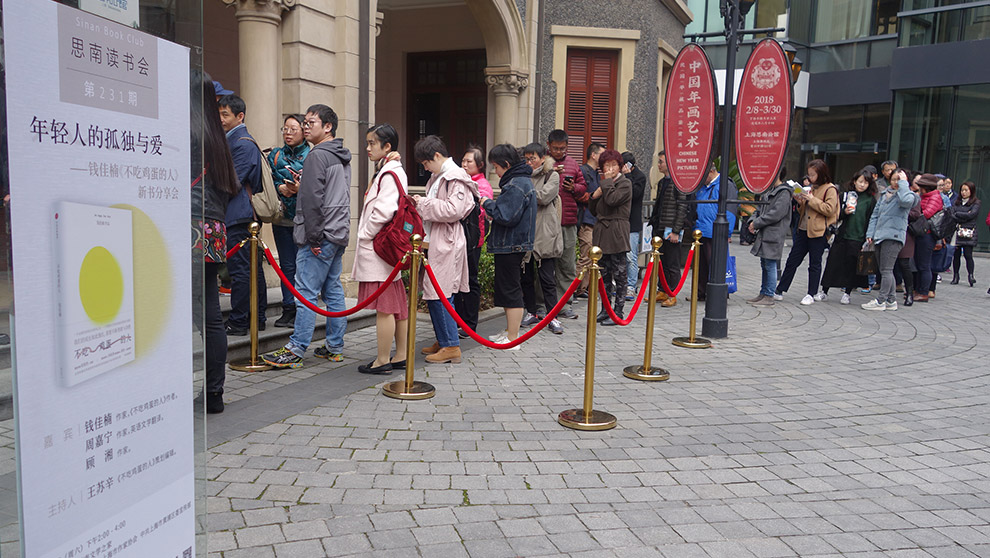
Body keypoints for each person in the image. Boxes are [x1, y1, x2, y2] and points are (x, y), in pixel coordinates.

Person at [262, 104, 351, 368]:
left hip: (320, 235)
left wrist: (312, 238)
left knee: (305, 293)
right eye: (306, 122)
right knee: (332, 290)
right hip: (337, 232)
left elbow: (313, 201)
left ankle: (296, 349)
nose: (305, 127)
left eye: (311, 122)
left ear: (328, 127)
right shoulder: (340, 154)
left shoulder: (317, 156)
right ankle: (334, 347)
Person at [349, 124, 409, 375]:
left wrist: (364, 233)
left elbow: (383, 211)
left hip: (380, 248)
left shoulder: (389, 173)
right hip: (388, 249)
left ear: (387, 146)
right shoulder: (390, 170)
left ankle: (383, 360)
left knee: (385, 308)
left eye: (372, 143)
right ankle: (400, 355)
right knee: (396, 305)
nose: (368, 148)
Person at [197, 75, 241, 413]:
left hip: (187, 228)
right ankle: (214, 392)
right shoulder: (218, 139)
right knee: (211, 316)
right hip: (213, 228)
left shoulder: (188, 133)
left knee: (191, 314)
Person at [412, 136, 477, 364]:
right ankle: (444, 339)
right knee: (435, 292)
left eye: (426, 162)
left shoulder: (455, 177)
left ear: (437, 156)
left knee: (441, 293)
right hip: (438, 240)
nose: (425, 167)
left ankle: (450, 345)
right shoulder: (440, 176)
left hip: (446, 240)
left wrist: (422, 204)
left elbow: (454, 210)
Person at [218, 93, 266, 336]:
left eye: (225, 114)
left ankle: (240, 321)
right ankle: (256, 318)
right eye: (219, 114)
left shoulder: (242, 143)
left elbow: (232, 182)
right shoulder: (234, 140)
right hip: (240, 214)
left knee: (241, 271)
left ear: (240, 116)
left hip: (239, 215)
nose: (221, 119)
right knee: (250, 269)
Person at [480, 144, 537, 348]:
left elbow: (505, 215)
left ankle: (513, 338)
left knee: (511, 290)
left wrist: (487, 203)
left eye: (496, 167)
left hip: (511, 245)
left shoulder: (516, 184)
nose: (495, 171)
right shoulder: (520, 181)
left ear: (506, 164)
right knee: (507, 289)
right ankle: (509, 331)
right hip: (512, 244)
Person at [774, 159, 838, 305]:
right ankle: (780, 290)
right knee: (792, 261)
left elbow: (830, 209)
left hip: (818, 232)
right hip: (803, 229)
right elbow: (805, 210)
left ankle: (811, 293)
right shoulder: (812, 188)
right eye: (809, 174)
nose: (810, 178)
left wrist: (811, 199)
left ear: (821, 174)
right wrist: (800, 201)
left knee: (814, 263)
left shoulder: (830, 189)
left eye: (813, 175)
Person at [268, 114, 310, 328]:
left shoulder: (312, 155)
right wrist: (280, 188)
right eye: (285, 129)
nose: (288, 133)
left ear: (304, 131)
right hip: (282, 218)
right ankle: (288, 308)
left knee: (303, 266)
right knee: (286, 265)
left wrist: (298, 189)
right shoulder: (275, 155)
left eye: (293, 129)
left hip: (304, 220)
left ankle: (302, 309)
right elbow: (266, 181)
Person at [520, 143, 564, 334]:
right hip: (527, 232)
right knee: (526, 277)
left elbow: (544, 197)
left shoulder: (551, 175)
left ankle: (553, 316)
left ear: (542, 158)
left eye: (533, 158)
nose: (529, 162)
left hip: (545, 234)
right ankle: (531, 311)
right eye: (526, 159)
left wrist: (524, 193)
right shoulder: (523, 176)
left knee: (547, 278)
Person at [863, 169, 919, 311]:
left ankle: (881, 300)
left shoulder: (909, 195)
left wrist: (903, 184)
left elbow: (906, 201)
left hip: (893, 236)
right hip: (879, 236)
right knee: (885, 270)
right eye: (894, 179)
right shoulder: (884, 194)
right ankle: (891, 300)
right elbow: (875, 215)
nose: (895, 182)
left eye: (899, 179)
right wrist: (870, 233)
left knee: (887, 270)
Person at [820, 170, 878, 304]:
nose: (862, 185)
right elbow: (835, 215)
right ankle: (824, 291)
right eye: (860, 181)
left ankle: (847, 293)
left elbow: (871, 219)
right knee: (833, 263)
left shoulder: (870, 200)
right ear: (854, 181)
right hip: (842, 235)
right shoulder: (845, 196)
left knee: (851, 266)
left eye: (866, 183)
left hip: (858, 237)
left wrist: (868, 236)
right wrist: (844, 212)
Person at [590, 149, 632, 324]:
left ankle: (618, 311)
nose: (610, 169)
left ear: (620, 167)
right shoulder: (605, 185)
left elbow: (613, 200)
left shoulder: (625, 183)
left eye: (614, 165)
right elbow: (594, 209)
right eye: (606, 165)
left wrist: (605, 185)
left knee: (619, 274)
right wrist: (594, 196)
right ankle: (605, 309)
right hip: (602, 231)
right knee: (604, 274)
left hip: (617, 231)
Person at [547, 130, 586, 319]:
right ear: (549, 145)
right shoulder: (544, 162)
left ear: (567, 146)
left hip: (568, 222)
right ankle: (544, 305)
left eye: (562, 148)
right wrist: (550, 173)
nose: (559, 152)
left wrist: (574, 188)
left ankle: (564, 305)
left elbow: (583, 187)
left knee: (567, 265)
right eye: (555, 148)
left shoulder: (573, 164)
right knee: (546, 266)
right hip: (547, 224)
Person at [457, 145, 494, 338]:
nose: (464, 164)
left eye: (469, 161)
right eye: (463, 160)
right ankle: (459, 321)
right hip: (460, 238)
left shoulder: (482, 185)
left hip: (473, 240)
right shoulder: (463, 181)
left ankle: (470, 324)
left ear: (479, 165)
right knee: (458, 281)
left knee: (470, 280)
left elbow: (484, 210)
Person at [648, 150, 690, 308]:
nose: (659, 165)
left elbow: (682, 208)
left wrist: (676, 231)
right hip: (660, 227)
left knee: (672, 263)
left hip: (671, 229)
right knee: (662, 262)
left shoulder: (678, 182)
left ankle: (672, 293)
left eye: (661, 162)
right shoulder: (662, 182)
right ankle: (662, 290)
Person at [745, 168, 792, 307]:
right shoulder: (769, 190)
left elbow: (776, 214)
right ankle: (763, 292)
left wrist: (756, 223)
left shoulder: (784, 192)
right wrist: (752, 221)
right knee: (764, 263)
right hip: (764, 232)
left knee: (770, 264)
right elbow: (759, 209)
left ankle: (769, 295)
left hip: (774, 233)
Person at [695, 163, 737, 301]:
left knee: (715, 265)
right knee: (701, 265)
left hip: (715, 231)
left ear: (711, 172)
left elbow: (730, 209)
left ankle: (719, 294)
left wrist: (727, 232)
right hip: (701, 230)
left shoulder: (725, 185)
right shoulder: (703, 187)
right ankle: (702, 292)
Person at [577, 142, 604, 302]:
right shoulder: (583, 171)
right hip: (585, 219)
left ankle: (583, 287)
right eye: (601, 154)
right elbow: (580, 194)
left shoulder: (596, 173)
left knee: (591, 255)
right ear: (593, 155)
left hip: (594, 219)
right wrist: (595, 195)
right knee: (586, 255)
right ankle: (575, 288)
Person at [912, 173, 943, 302]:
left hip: (928, 234)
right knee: (919, 263)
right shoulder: (924, 197)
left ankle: (924, 292)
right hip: (921, 233)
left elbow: (927, 213)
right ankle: (917, 290)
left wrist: (915, 214)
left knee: (924, 265)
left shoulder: (934, 197)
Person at [622, 151, 647, 301]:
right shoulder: (620, 176)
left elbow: (634, 194)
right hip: (620, 221)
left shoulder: (640, 177)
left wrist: (628, 176)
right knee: (620, 256)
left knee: (631, 256)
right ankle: (621, 284)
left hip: (632, 222)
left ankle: (631, 286)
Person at [949, 181, 980, 286]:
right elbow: (952, 214)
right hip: (957, 231)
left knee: (968, 255)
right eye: (962, 190)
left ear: (971, 191)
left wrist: (958, 214)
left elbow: (972, 215)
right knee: (956, 255)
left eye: (966, 190)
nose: (964, 192)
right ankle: (955, 276)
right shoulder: (956, 202)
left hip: (968, 232)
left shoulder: (976, 203)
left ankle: (971, 275)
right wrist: (964, 214)